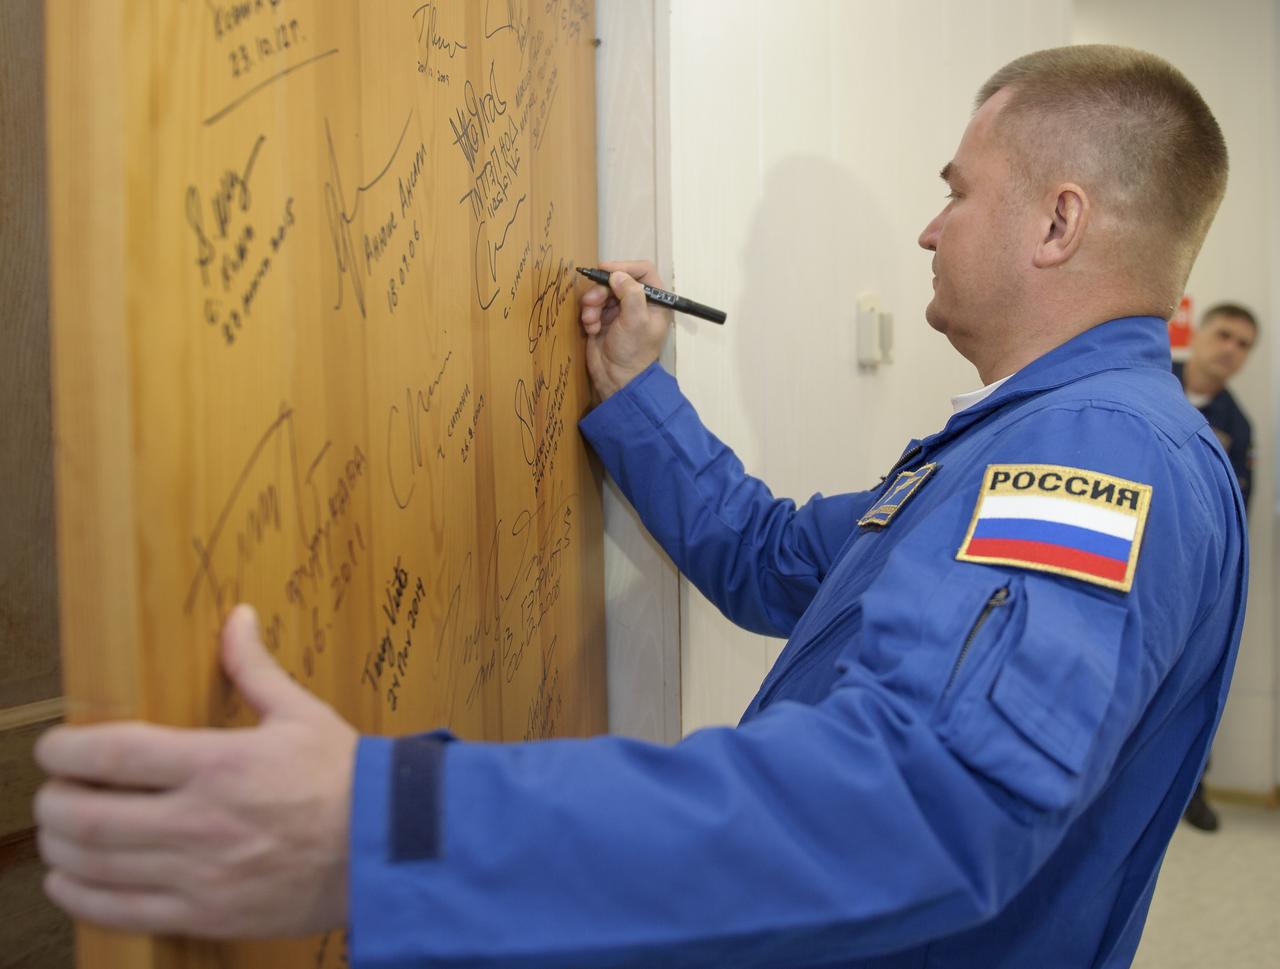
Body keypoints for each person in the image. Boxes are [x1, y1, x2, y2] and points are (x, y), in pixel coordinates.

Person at [33, 45, 1246, 968]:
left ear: (1056, 221)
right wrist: (634, 391)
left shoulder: (1092, 455)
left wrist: (381, 826)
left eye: (955, 191)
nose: (928, 227)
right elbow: (773, 559)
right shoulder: (1025, 442)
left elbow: (922, 807)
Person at [1173, 302, 1257, 831]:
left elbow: (1237, 514)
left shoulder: (1237, 426)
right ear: (1200, 333)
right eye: (1224, 335)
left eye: (1244, 345)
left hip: (1193, 571)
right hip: (1123, 548)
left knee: (1195, 680)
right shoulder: (1149, 377)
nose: (1231, 349)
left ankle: (1192, 788)